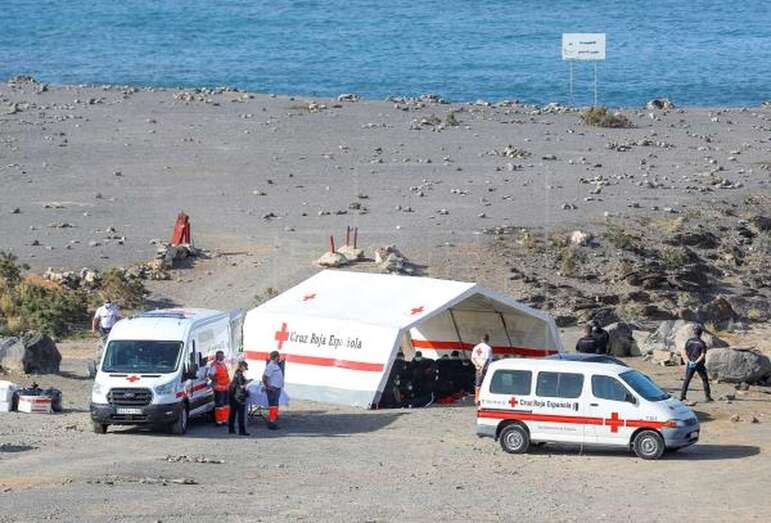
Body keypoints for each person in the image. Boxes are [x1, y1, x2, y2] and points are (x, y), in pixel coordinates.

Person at [680, 324, 713, 402]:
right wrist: (696, 362)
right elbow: (702, 355)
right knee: (704, 379)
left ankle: (682, 396)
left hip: (690, 362)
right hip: (699, 364)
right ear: (701, 333)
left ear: (694, 332)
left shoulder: (689, 341)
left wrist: (689, 361)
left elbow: (684, 351)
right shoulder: (702, 343)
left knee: (687, 380)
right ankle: (707, 397)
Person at [228, 361, 251, 436]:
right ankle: (242, 431)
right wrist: (248, 382)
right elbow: (241, 386)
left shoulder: (235, 373)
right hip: (239, 396)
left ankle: (231, 429)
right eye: (245, 367)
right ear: (242, 366)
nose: (245, 369)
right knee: (241, 415)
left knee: (233, 414)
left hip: (233, 396)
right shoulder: (239, 374)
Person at [262, 351, 284, 430]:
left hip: (276, 388)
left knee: (275, 405)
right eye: (278, 357)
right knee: (273, 405)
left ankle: (273, 419)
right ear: (276, 357)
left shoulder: (275, 365)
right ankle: (271, 422)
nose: (279, 358)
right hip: (273, 389)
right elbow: (264, 377)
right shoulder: (271, 366)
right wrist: (268, 386)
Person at [208, 351, 230, 425]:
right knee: (219, 405)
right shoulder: (214, 365)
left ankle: (225, 419)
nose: (222, 357)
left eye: (222, 356)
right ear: (217, 357)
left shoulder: (223, 364)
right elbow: (210, 375)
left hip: (225, 387)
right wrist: (215, 380)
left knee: (226, 404)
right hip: (218, 388)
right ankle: (219, 420)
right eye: (220, 356)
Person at [471, 334, 493, 405]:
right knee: (485, 384)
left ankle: (476, 399)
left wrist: (477, 365)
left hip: (478, 368)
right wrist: (482, 368)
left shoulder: (476, 347)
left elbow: (473, 358)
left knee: (478, 384)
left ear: (481, 339)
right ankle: (483, 398)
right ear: (488, 339)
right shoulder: (488, 348)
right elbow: (487, 359)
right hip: (485, 369)